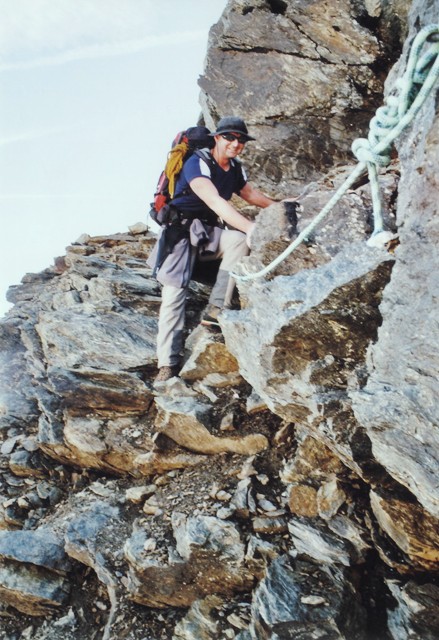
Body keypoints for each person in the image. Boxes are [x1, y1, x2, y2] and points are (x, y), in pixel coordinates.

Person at [151, 116, 279, 384]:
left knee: (237, 241)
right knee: (174, 295)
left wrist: (285, 204)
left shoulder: (234, 168)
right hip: (180, 234)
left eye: (241, 139)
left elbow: (251, 196)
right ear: (217, 138)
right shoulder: (198, 162)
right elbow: (214, 201)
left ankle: (215, 311)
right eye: (230, 137)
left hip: (207, 233)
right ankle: (166, 364)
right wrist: (250, 227)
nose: (236, 143)